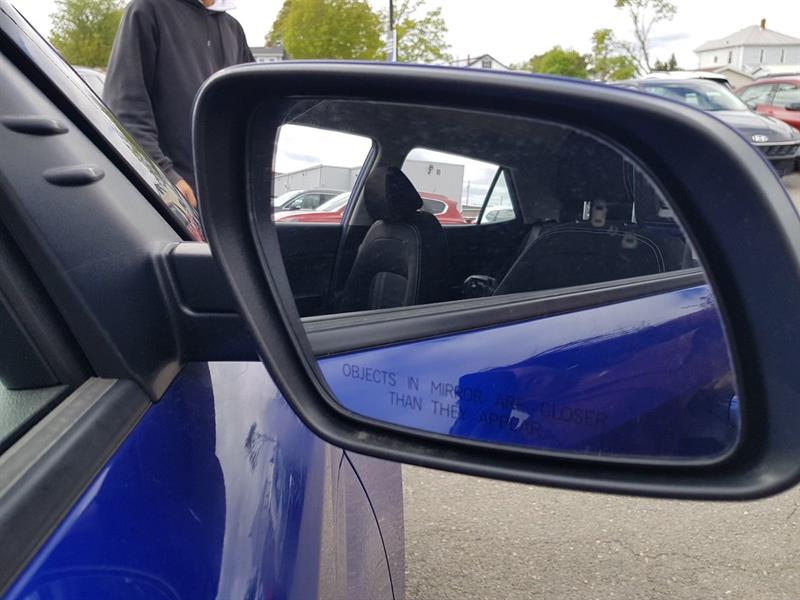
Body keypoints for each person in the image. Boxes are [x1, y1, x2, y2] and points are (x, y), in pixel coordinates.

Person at [104, 0, 254, 208]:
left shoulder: (233, 29)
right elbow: (124, 108)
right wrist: (164, 174)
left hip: (223, 204)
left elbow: (253, 107)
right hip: (171, 203)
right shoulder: (147, 9)